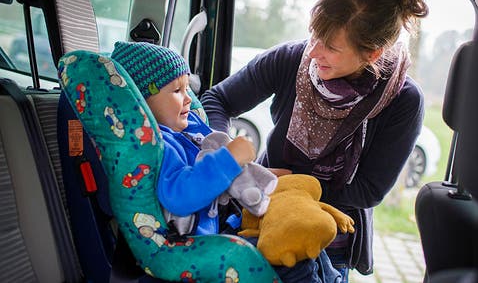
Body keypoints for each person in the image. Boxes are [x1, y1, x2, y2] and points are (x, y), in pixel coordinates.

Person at [200, 0, 429, 281]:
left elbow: (369, 190)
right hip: (263, 219)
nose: (314, 51)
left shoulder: (404, 101)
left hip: (330, 238)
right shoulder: (291, 58)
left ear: (372, 54)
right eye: (314, 35)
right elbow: (218, 99)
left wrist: (293, 183)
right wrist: (224, 151)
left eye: (331, 47)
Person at [110, 41, 340, 283]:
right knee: (294, 260)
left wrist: (264, 174)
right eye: (177, 91)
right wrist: (229, 158)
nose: (188, 99)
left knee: (304, 232)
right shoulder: (159, 146)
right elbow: (179, 196)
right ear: (143, 103)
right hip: (198, 244)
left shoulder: (187, 132)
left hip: (224, 223)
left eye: (188, 89)